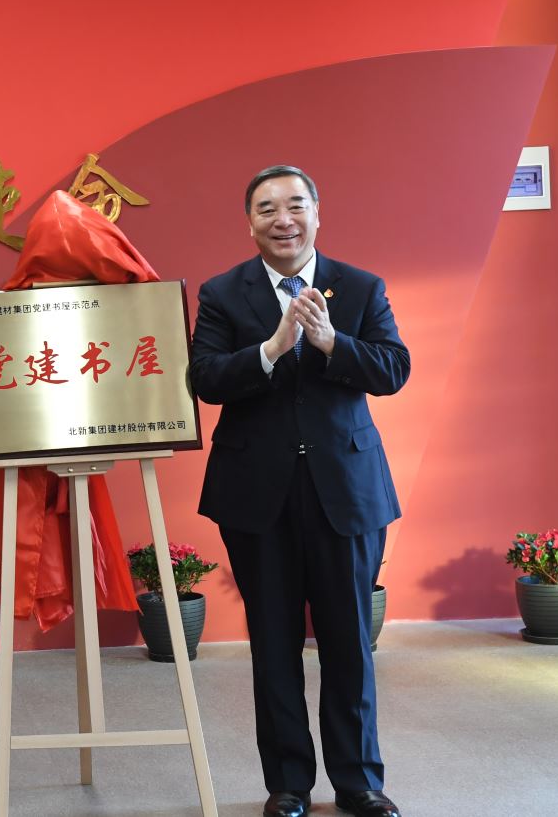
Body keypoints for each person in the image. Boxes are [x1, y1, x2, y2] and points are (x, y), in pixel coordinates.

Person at [188, 166, 409, 817]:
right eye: (267, 209)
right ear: (249, 222)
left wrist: (331, 342)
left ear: (316, 213)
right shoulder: (223, 293)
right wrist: (272, 348)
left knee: (349, 641)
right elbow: (205, 377)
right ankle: (288, 783)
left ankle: (358, 782)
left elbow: (393, 368)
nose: (282, 220)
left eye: (294, 205)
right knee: (274, 640)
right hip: (258, 495)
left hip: (346, 490)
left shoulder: (361, 286)